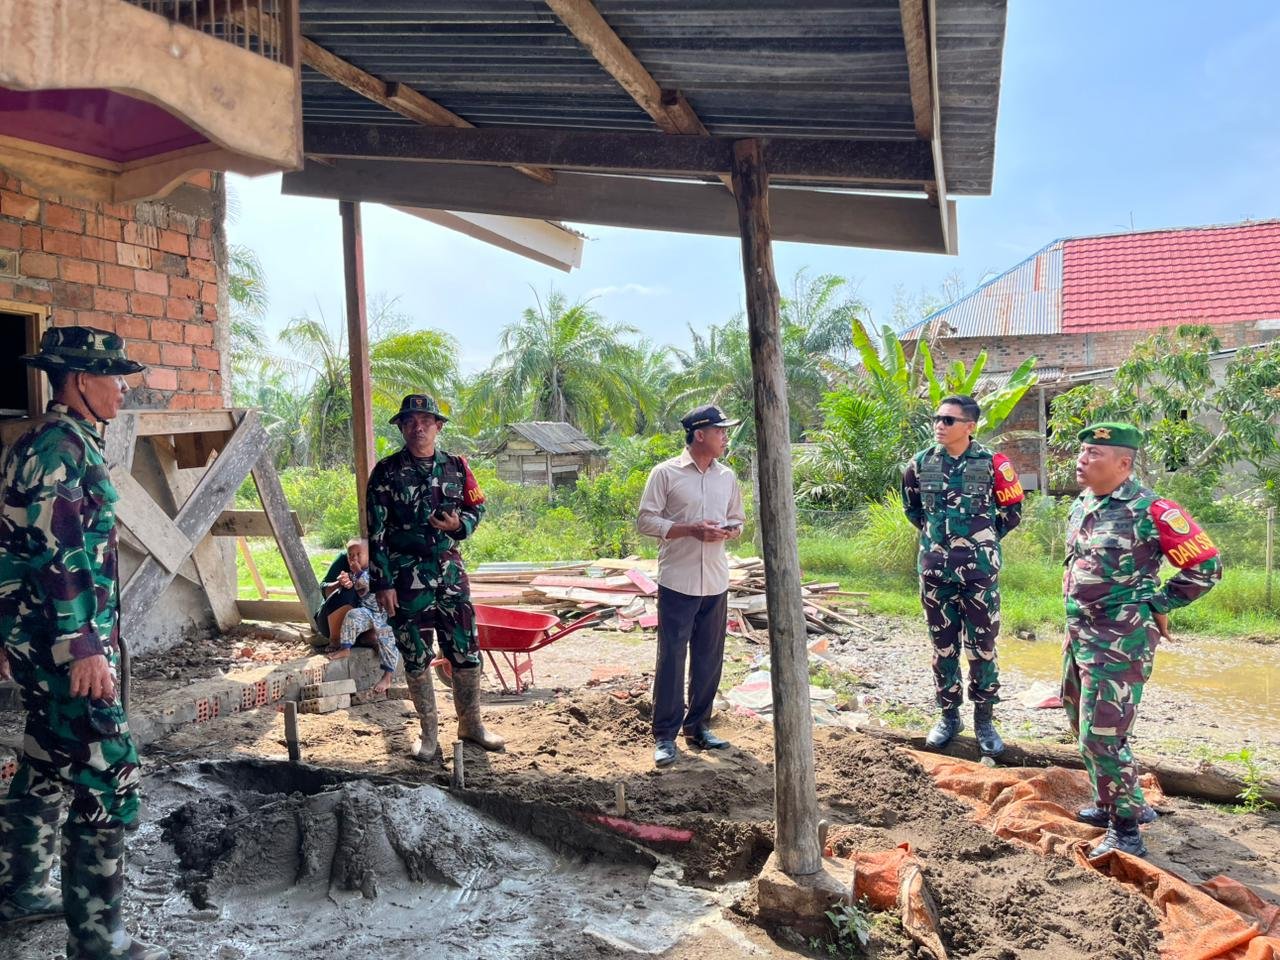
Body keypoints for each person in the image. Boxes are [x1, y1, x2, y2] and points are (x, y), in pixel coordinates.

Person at [0, 327, 168, 958]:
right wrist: (83, 646)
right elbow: (58, 554)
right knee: (110, 776)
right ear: (78, 379)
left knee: (45, 760)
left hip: (38, 639)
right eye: (113, 377)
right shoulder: (59, 448)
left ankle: (20, 889)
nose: (123, 388)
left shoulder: (48, 442)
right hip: (63, 647)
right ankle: (99, 940)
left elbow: (9, 548)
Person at [1064, 422, 1221, 858]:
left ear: (1123, 463)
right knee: (1082, 721)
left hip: (1120, 639)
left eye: (1094, 453)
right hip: (1081, 633)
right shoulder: (1082, 503)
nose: (1082, 460)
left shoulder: (1153, 510)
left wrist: (1158, 602)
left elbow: (1206, 568)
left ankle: (1127, 829)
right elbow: (1077, 565)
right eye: (1082, 451)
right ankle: (1109, 801)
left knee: (1102, 733)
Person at [367, 394, 503, 760]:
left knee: (465, 647)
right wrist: (383, 583)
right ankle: (428, 734)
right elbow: (375, 533)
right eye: (410, 421)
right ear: (401, 427)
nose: (418, 427)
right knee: (415, 652)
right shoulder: (385, 472)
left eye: (425, 421)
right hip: (406, 576)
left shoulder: (457, 466)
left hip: (450, 572)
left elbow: (477, 507)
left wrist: (460, 525)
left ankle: (471, 725)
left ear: (438, 426)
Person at [902, 394, 1024, 757]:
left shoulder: (993, 464)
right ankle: (949, 716)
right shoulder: (919, 464)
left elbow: (1012, 511)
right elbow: (913, 510)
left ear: (970, 426)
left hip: (979, 573)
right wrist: (939, 543)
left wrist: (981, 541)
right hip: (935, 571)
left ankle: (984, 719)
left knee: (982, 647)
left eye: (948, 420)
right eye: (937, 418)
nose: (939, 425)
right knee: (943, 647)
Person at [638, 404, 746, 768]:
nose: (725, 437)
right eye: (720, 431)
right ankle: (665, 736)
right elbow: (646, 521)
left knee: (708, 658)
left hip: (715, 580)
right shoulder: (665, 473)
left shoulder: (727, 477)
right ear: (699, 435)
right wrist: (690, 530)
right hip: (678, 581)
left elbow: (738, 520)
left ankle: (698, 726)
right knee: (672, 657)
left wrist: (729, 531)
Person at [320, 538, 398, 696]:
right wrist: (344, 582)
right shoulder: (352, 572)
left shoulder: (377, 570)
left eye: (358, 554)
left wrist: (358, 573)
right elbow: (347, 589)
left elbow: (370, 584)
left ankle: (387, 676)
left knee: (387, 641)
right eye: (350, 555)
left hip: (382, 615)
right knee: (352, 615)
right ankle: (345, 648)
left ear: (369, 555)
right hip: (366, 611)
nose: (354, 558)